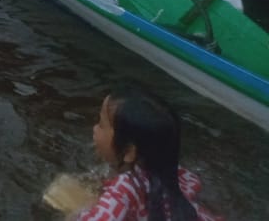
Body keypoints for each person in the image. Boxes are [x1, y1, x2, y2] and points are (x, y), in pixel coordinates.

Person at [75, 85, 222, 221]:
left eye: (101, 124)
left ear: (128, 151)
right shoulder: (181, 176)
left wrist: (77, 211)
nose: (94, 128)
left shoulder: (126, 186)